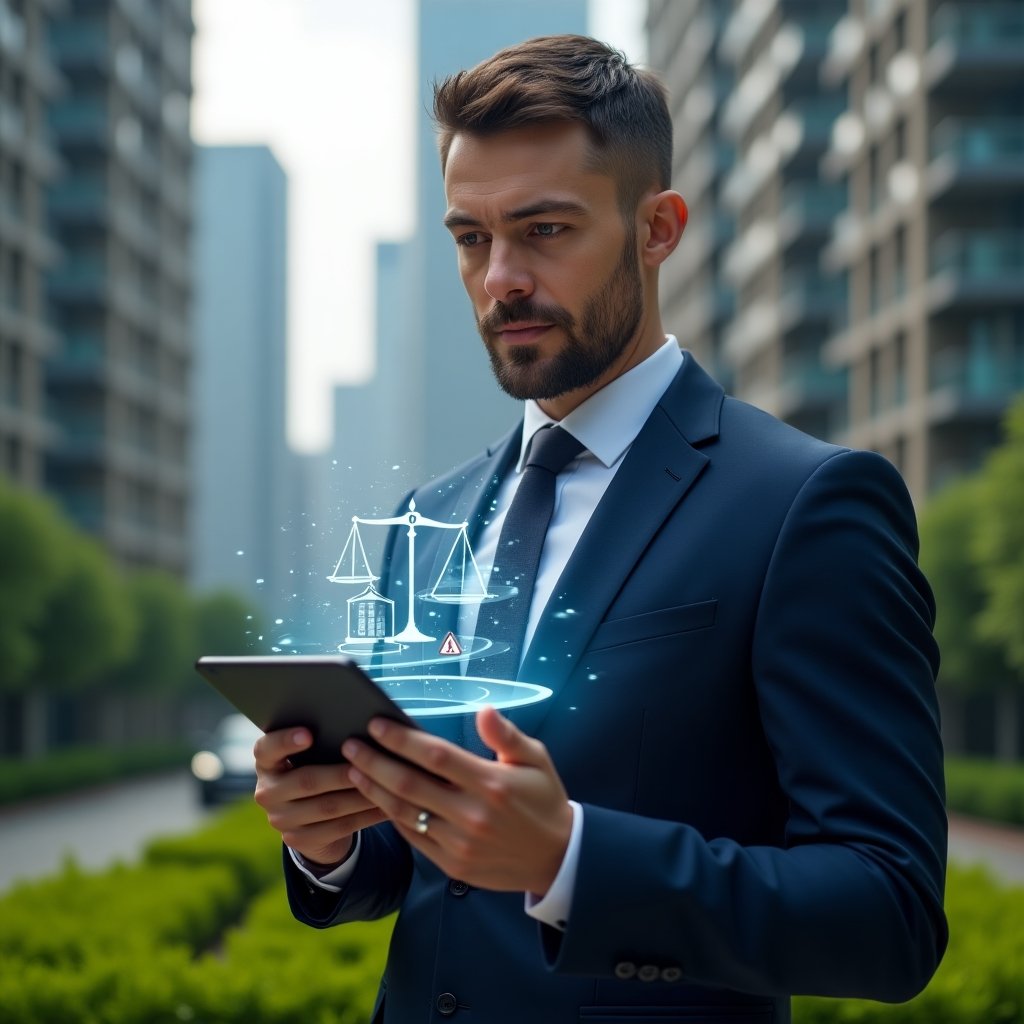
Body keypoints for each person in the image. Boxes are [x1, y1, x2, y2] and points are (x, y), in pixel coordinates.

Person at [253, 35, 947, 1024]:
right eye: (470, 236)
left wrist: (569, 857)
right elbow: (416, 866)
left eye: (544, 229)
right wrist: (328, 842)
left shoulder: (809, 504)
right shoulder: (425, 521)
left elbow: (889, 911)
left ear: (656, 228)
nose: (499, 279)